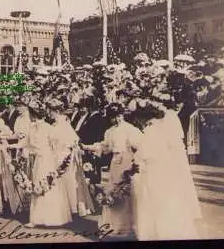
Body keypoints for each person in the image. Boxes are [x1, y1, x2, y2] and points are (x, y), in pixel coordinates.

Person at [132, 100, 201, 240]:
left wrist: (136, 159)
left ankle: (156, 232)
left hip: (153, 170)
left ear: (144, 117)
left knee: (153, 200)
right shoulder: (162, 129)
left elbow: (146, 153)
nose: (139, 122)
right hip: (165, 170)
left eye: (139, 119)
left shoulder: (150, 130)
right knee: (166, 200)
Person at [82, 103, 143, 236]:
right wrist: (87, 147)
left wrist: (135, 163)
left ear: (123, 115)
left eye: (118, 116)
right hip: (115, 164)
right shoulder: (109, 131)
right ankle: (115, 225)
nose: (116, 119)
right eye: (113, 117)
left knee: (127, 191)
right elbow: (105, 147)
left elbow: (140, 147)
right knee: (113, 190)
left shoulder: (131, 129)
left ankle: (129, 225)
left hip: (127, 162)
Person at [18, 100, 72, 227]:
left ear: (33, 114)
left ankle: (52, 217)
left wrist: (58, 157)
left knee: (47, 183)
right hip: (38, 159)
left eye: (30, 113)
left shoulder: (48, 128)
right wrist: (9, 145)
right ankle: (37, 218)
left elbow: (56, 144)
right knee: (38, 183)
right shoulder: (32, 128)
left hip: (47, 159)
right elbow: (26, 144)